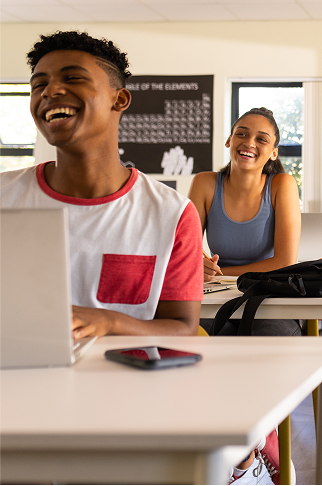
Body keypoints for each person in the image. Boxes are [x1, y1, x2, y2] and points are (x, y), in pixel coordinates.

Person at [0, 30, 202, 338]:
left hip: (126, 379)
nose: (50, 91)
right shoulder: (5, 196)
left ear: (118, 99)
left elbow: (183, 327)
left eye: (72, 79)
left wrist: (110, 322)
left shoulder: (172, 213)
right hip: (20, 378)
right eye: (38, 84)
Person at [189, 107, 301, 337]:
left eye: (261, 139)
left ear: (273, 153)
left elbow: (284, 261)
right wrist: (197, 265)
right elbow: (185, 249)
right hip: (216, 298)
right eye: (241, 134)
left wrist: (220, 274)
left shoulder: (282, 184)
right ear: (229, 141)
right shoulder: (205, 183)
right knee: (192, 335)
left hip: (269, 300)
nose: (249, 143)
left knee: (265, 343)